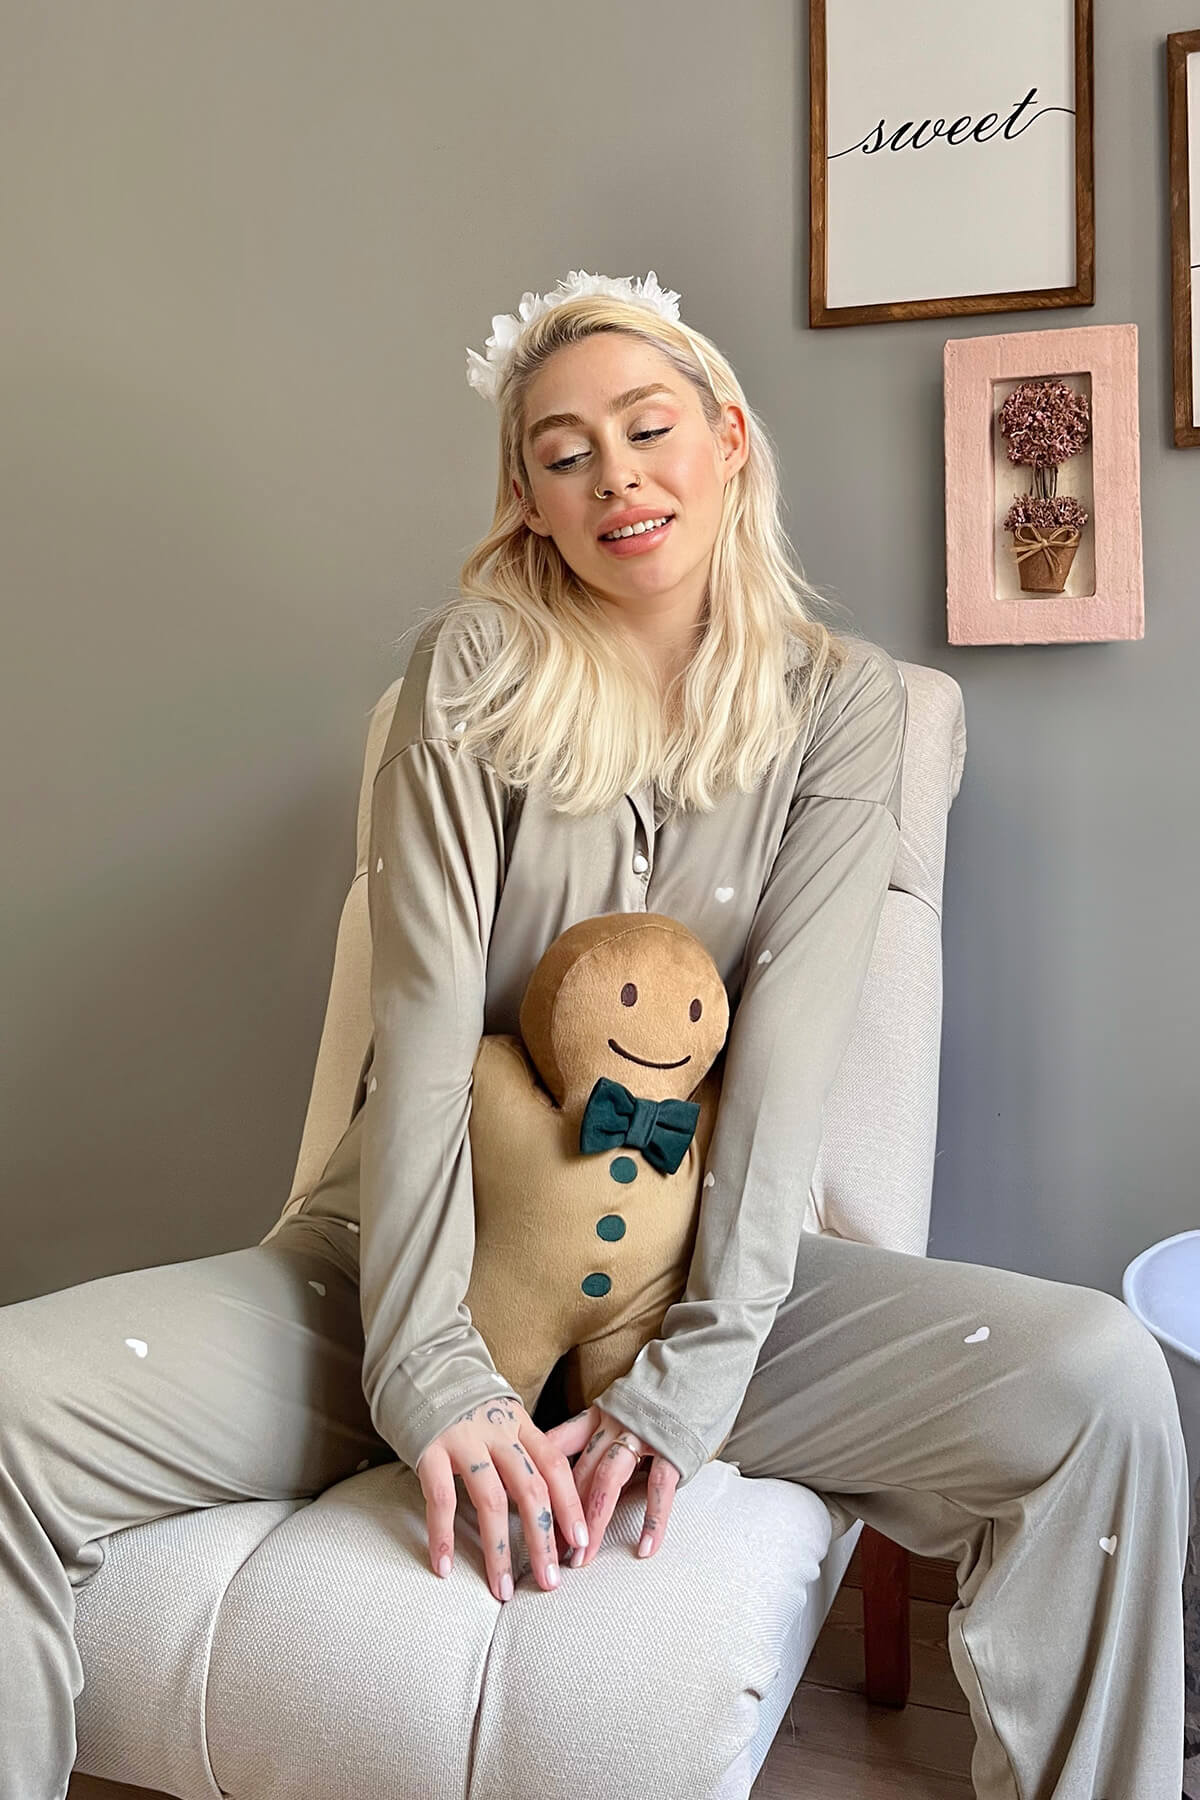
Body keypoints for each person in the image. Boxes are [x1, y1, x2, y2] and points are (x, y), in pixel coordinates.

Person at [0, 269, 1190, 1800]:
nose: (616, 474)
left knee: (1100, 1380)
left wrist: (686, 1388)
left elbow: (784, 1076)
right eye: (566, 454)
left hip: (701, 1291)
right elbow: (421, 1047)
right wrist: (427, 1369)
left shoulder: (843, 709)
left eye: (648, 428)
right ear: (529, 501)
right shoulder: (469, 675)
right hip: (395, 1274)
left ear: (729, 439)